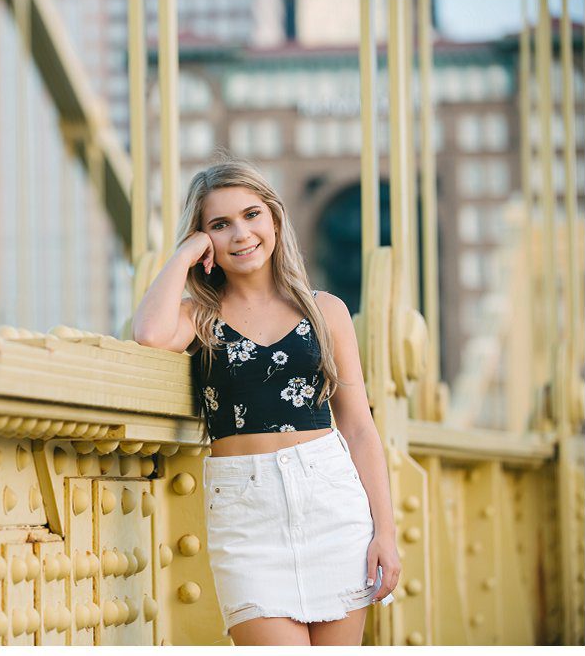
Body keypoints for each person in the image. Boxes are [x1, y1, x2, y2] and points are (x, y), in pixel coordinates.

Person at [133, 161, 397, 644]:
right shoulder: (200, 317)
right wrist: (185, 254)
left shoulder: (325, 311)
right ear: (204, 237)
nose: (241, 233)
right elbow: (149, 334)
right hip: (247, 515)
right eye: (219, 224)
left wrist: (386, 534)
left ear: (274, 219)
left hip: (331, 505)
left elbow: (359, 428)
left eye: (252, 214)